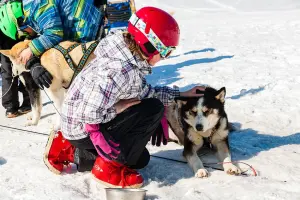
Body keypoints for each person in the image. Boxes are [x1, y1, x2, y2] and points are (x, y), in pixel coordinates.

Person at [43, 7, 206, 188]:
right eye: (166, 51)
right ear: (150, 45)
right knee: (153, 109)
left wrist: (182, 94)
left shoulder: (124, 52)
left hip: (74, 125)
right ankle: (108, 169)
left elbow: (146, 92)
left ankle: (69, 149)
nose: (166, 57)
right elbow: (90, 115)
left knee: (140, 159)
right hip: (86, 126)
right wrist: (117, 109)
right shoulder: (121, 70)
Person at [0, 0, 106, 90]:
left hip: (85, 22)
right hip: (78, 22)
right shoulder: (31, 10)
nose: (26, 35)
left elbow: (54, 33)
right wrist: (33, 62)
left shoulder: (37, 6)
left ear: (20, 21)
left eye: (22, 33)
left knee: (88, 73)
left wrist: (31, 50)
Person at [0, 29, 31, 118]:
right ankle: (28, 102)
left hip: (5, 38)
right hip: (20, 37)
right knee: (24, 70)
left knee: (8, 72)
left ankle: (10, 107)